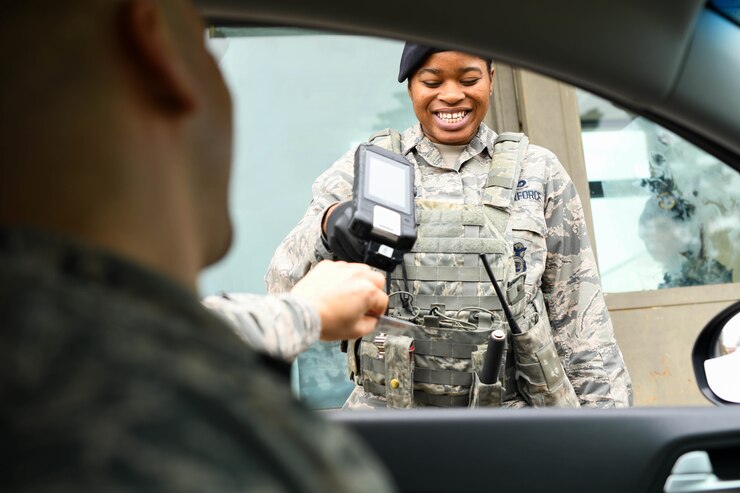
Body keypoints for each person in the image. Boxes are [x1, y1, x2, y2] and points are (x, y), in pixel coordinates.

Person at [0, 1, 395, 491]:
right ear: (161, 53)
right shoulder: (247, 445)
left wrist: (305, 311)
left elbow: (179, 326)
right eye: (209, 41)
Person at [267, 43, 633, 409]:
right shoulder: (368, 170)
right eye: (432, 81)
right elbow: (283, 284)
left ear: (490, 79)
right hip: (391, 417)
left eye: (468, 78)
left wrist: (612, 426)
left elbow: (581, 322)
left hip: (510, 419)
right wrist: (328, 227)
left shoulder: (537, 171)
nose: (452, 95)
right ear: (411, 86)